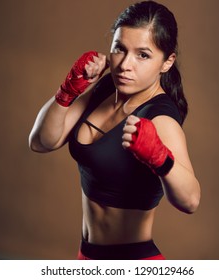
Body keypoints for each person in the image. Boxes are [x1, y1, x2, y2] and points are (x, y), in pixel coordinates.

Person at [29, 1, 201, 260]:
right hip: (87, 257)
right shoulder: (106, 88)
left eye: (143, 55)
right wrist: (68, 91)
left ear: (167, 62)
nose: (124, 65)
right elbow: (41, 142)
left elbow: (190, 201)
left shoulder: (160, 117)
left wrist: (159, 157)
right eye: (120, 49)